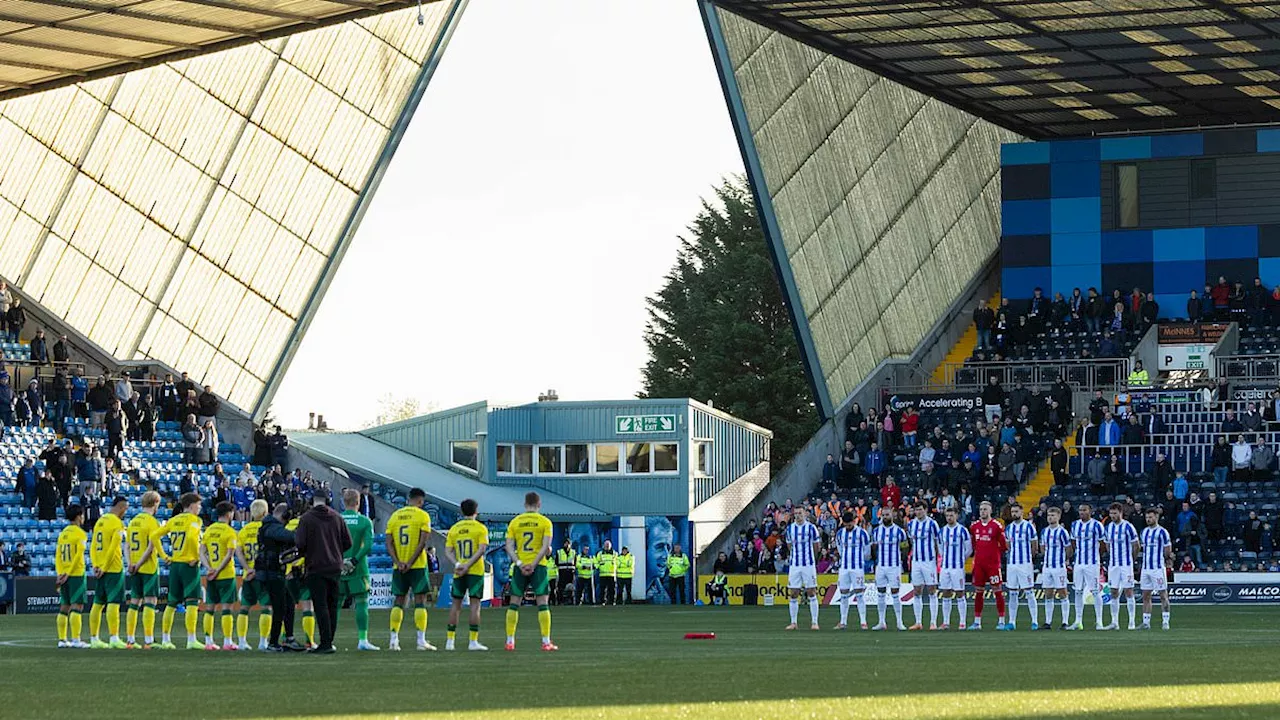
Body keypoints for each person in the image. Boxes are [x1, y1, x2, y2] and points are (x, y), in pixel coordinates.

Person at [295, 492, 351, 654]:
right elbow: (348, 542)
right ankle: (329, 640)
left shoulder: (306, 518)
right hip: (335, 566)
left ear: (313, 501)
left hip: (315, 566)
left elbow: (300, 543)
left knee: (320, 605)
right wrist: (336, 552)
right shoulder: (337, 517)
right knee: (332, 605)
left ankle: (325, 642)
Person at [503, 492, 557, 651]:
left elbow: (508, 546)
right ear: (539, 504)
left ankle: (510, 641)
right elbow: (545, 547)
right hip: (538, 566)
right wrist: (533, 564)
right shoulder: (545, 522)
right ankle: (546, 642)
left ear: (525, 504)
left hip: (520, 567)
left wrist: (520, 563)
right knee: (542, 603)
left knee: (514, 604)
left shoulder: (515, 522)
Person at [385, 488, 433, 651]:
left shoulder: (395, 516)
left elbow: (388, 543)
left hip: (399, 566)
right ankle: (420, 641)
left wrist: (398, 562)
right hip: (417, 566)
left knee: (398, 601)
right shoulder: (423, 516)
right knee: (420, 601)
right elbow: (423, 542)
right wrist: (411, 562)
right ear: (420, 501)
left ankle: (393, 640)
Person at [156, 492, 204, 650]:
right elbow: (191, 537)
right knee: (192, 602)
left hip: (175, 564)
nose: (200, 508)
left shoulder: (174, 520)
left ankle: (165, 639)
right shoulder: (194, 520)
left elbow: (154, 536)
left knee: (171, 604)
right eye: (198, 504)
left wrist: (164, 556)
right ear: (191, 506)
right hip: (188, 564)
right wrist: (197, 556)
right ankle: (191, 639)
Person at [439, 498, 488, 652]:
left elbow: (447, 551)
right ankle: (473, 641)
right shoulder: (480, 528)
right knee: (475, 606)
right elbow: (481, 549)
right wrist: (468, 565)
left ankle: (450, 641)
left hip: (459, 572)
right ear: (476, 511)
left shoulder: (454, 529)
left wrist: (458, 564)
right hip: (475, 571)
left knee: (456, 605)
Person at [257, 502, 303, 652]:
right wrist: (301, 531)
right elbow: (290, 537)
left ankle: (288, 638)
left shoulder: (269, 526)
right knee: (280, 607)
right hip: (271, 573)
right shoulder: (271, 527)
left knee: (288, 603)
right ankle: (273, 642)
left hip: (273, 572)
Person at [336, 489, 378, 650]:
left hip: (337, 566)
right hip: (358, 568)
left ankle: (329, 639)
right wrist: (354, 560)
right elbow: (368, 545)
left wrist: (340, 560)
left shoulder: (336, 519)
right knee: (361, 603)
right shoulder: (365, 521)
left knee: (335, 604)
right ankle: (362, 640)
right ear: (358, 502)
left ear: (344, 502)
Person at [87, 496, 129, 649]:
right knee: (113, 603)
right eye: (126, 509)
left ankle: (94, 638)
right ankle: (114, 637)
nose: (126, 512)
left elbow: (92, 545)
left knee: (98, 603)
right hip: (113, 568)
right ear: (121, 507)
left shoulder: (100, 521)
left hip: (99, 567)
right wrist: (104, 567)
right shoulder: (117, 523)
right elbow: (113, 548)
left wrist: (96, 565)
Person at [200, 501, 240, 651]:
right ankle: (227, 641)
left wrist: (209, 568)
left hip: (211, 575)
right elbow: (229, 555)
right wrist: (217, 570)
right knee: (226, 609)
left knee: (209, 608)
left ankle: (208, 641)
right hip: (226, 574)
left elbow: (201, 552)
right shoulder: (230, 532)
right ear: (229, 514)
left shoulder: (209, 530)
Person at [235, 499, 271, 651]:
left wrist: (247, 568)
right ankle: (263, 642)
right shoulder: (267, 529)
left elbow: (238, 552)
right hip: (263, 574)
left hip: (247, 574)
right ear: (265, 512)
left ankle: (242, 641)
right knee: (267, 608)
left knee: (244, 608)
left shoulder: (244, 530)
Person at [968, 500, 1007, 630]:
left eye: (985, 509)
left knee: (997, 591)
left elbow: (1003, 545)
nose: (982, 512)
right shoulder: (974, 527)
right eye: (981, 509)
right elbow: (974, 544)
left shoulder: (996, 526)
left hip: (993, 565)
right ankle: (977, 622)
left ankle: (1001, 621)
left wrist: (994, 557)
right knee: (978, 592)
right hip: (979, 564)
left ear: (990, 511)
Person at [55, 504, 90, 648]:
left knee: (64, 606)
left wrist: (60, 573)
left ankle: (62, 640)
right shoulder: (80, 534)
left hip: (63, 573)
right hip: (75, 574)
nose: (83, 518)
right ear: (78, 516)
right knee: (77, 606)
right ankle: (76, 639)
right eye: (82, 515)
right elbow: (77, 555)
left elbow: (57, 555)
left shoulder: (63, 533)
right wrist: (69, 573)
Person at [1101, 502, 1140, 631]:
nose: (1112, 516)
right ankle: (1114, 622)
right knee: (1113, 592)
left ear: (1120, 513)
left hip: (1126, 565)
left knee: (1129, 591)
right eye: (1111, 513)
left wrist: (1131, 560)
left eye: (1115, 513)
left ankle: (1131, 622)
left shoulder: (1128, 527)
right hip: (1113, 565)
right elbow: (1107, 545)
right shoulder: (1108, 528)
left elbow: (1136, 546)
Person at [783, 505, 822, 631]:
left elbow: (817, 546)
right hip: (795, 565)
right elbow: (789, 545)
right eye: (796, 513)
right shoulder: (790, 529)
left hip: (808, 565)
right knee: (793, 593)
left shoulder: (811, 528)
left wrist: (812, 559)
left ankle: (814, 622)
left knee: (811, 591)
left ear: (805, 513)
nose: (798, 515)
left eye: (800, 513)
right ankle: (793, 622)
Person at [1002, 502, 1039, 631]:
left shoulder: (1029, 527)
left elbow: (1034, 545)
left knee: (1029, 592)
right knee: (1012, 593)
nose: (1014, 514)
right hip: (1012, 564)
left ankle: (1034, 621)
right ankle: (1012, 622)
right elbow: (1007, 545)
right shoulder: (1008, 528)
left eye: (1016, 511)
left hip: (1025, 564)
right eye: (1012, 512)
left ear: (1022, 512)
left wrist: (1031, 558)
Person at [870, 509, 908, 631]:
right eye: (884, 515)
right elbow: (874, 548)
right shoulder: (876, 531)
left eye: (888, 515)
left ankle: (899, 622)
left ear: (892, 515)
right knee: (880, 593)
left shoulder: (899, 531)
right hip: (881, 566)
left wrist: (900, 561)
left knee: (895, 593)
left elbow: (905, 548)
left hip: (894, 566)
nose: (886, 517)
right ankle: (881, 621)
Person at [833, 511, 871, 630]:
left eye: (850, 524)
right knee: (843, 594)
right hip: (844, 568)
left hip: (857, 568)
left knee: (859, 594)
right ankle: (843, 621)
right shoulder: (840, 534)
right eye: (846, 524)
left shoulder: (862, 533)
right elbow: (840, 549)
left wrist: (860, 560)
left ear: (854, 521)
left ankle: (863, 622)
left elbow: (867, 551)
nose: (848, 526)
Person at [906, 501, 940, 630]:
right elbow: (911, 541)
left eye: (920, 509)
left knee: (932, 590)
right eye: (916, 510)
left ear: (925, 510)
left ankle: (933, 622)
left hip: (929, 562)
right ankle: (918, 622)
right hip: (916, 562)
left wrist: (937, 559)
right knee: (917, 591)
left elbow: (937, 542)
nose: (918, 512)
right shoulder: (911, 524)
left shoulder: (932, 524)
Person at [1138, 508, 1173, 631]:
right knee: (1146, 596)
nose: (1148, 519)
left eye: (1151, 517)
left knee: (1163, 595)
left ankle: (1165, 621)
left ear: (1156, 517)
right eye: (1147, 517)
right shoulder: (1144, 532)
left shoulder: (1162, 532)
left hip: (1158, 568)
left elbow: (1168, 549)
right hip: (1146, 568)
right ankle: (1146, 622)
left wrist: (1168, 560)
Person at [938, 507, 971, 630]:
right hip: (945, 567)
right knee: (946, 593)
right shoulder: (942, 531)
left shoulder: (963, 530)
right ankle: (946, 622)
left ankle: (962, 622)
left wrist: (961, 559)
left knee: (959, 593)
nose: (949, 518)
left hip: (957, 567)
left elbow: (968, 549)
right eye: (947, 516)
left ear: (956, 515)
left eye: (951, 515)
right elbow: (940, 547)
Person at [1038, 507, 1071, 630]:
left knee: (1062, 593)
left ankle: (1065, 622)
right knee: (1048, 593)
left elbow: (1068, 549)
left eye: (1053, 515)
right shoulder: (1044, 531)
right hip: (1047, 567)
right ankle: (1048, 622)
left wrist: (1064, 560)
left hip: (1059, 567)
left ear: (1058, 517)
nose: (1050, 517)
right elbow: (1042, 548)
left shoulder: (1062, 532)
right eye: (1049, 515)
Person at [554, 539, 576, 605]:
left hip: (570, 572)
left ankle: (570, 601)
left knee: (570, 588)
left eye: (568, 543)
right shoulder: (559, 552)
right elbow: (556, 562)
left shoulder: (573, 552)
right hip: (562, 572)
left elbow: (575, 562)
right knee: (561, 588)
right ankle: (560, 601)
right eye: (565, 543)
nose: (567, 545)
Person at [596, 540, 618, 606]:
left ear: (610, 546)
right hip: (602, 574)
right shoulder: (600, 553)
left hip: (611, 574)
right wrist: (598, 567)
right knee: (602, 589)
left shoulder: (615, 553)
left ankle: (612, 601)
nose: (607, 546)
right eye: (606, 545)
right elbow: (597, 562)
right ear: (603, 545)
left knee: (612, 589)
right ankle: (602, 601)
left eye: (608, 545)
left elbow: (617, 562)